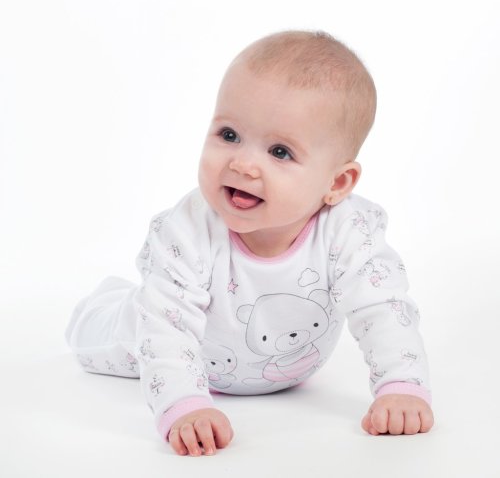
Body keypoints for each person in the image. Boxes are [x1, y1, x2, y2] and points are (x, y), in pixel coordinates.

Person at [65, 30, 434, 457]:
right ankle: (103, 305)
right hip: (145, 336)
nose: (242, 164)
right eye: (229, 135)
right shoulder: (187, 232)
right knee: (98, 332)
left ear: (337, 183)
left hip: (281, 366)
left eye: (279, 152)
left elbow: (383, 308)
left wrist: (401, 385)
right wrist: (184, 404)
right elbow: (166, 328)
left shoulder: (350, 231)